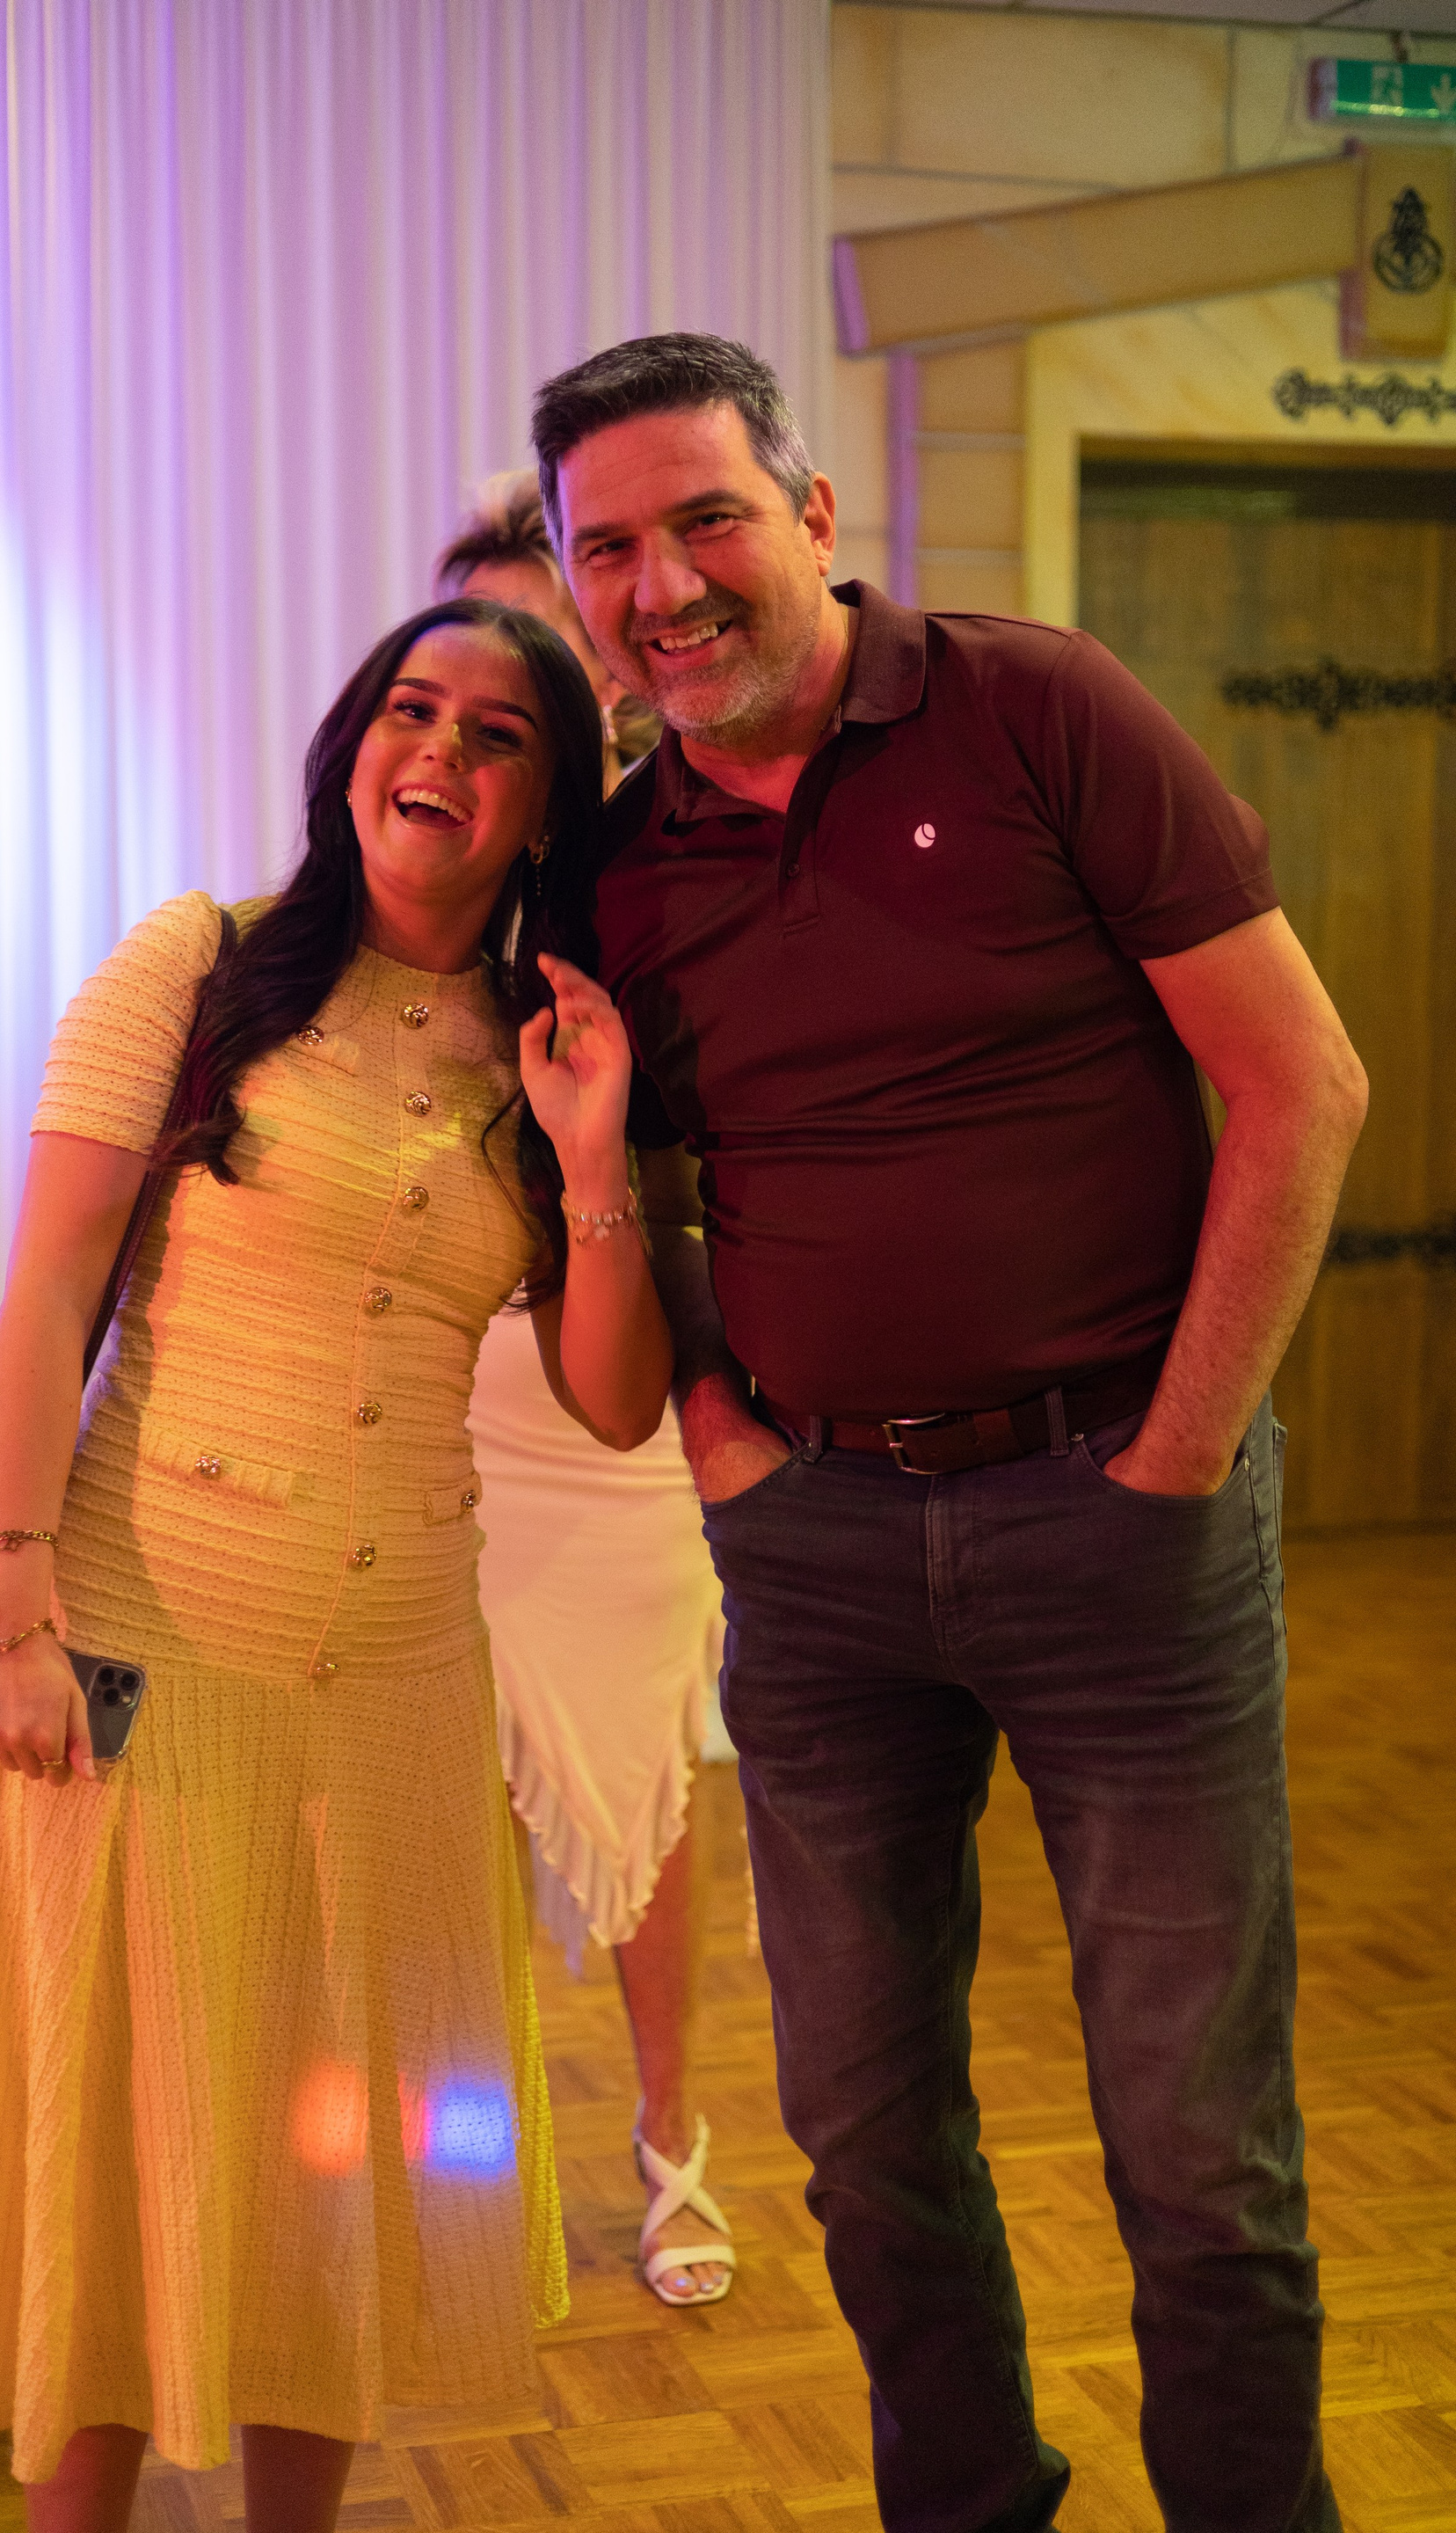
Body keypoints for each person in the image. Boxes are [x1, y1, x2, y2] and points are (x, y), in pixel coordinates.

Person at [530, 332, 1369, 2533]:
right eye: (607, 549)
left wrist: (1180, 1456)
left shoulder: (1035, 711)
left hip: (1124, 1523)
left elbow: (1303, 1087)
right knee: (866, 2139)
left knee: (1199, 2155)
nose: (662, 585)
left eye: (706, 518)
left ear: (814, 516)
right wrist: (726, 1438)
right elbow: (633, 1195)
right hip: (818, 1559)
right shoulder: (613, 867)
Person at [0, 596, 673, 2533]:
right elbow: (46, 1292)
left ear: (547, 807)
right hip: (139, 1639)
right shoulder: (201, 963)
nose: (444, 754)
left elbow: (613, 1401)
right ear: (353, 748)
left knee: (355, 2136)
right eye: (414, 711)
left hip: (404, 1678)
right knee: (112, 2123)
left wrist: (594, 1161)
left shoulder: (555, 1049)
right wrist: (16, 1614)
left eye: (499, 736)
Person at [434, 476, 732, 2305]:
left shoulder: (675, 873)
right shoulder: (399, 872)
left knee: (652, 1783)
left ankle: (673, 2138)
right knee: (439, 1802)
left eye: (547, 642)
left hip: (619, 1400)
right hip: (438, 1398)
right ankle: (478, 2161)